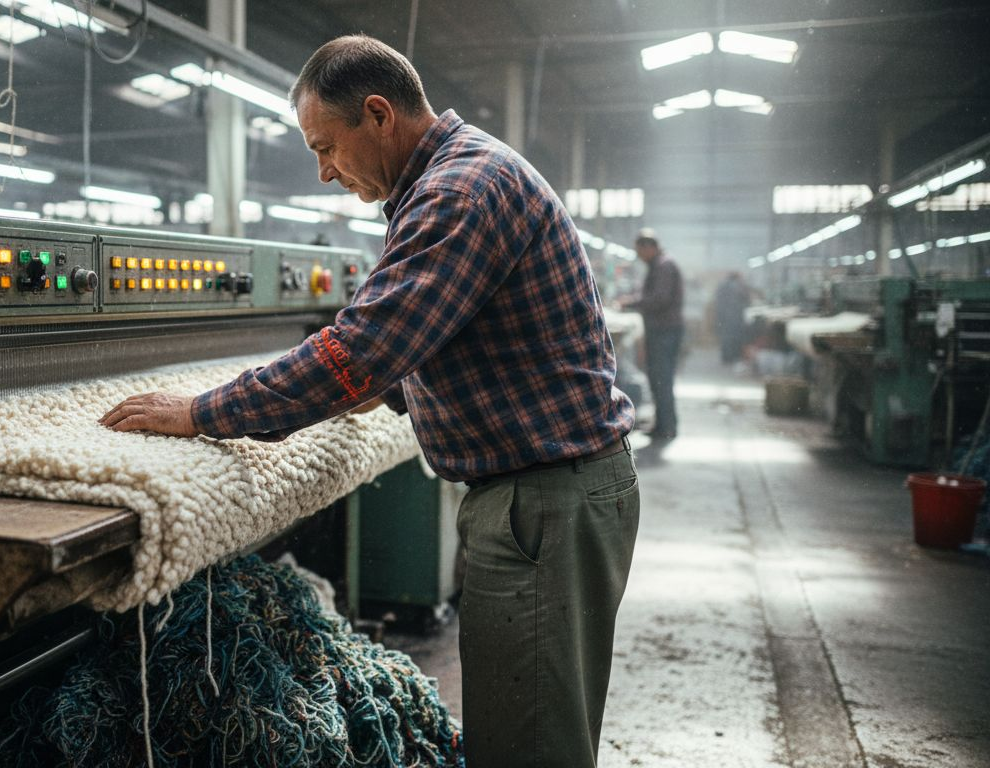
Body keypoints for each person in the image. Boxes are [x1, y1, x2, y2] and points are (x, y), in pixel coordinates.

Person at [101, 34, 639, 768]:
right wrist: (384, 389)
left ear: (379, 114)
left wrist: (199, 413)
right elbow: (436, 340)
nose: (323, 173)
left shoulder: (458, 192)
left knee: (528, 745)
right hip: (548, 494)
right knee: (530, 732)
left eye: (326, 147)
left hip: (543, 504)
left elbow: (355, 352)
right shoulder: (452, 177)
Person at [624, 229, 683, 439]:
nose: (639, 256)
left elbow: (660, 299)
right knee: (658, 378)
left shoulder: (664, 266)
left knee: (662, 378)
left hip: (664, 331)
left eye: (639, 251)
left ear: (649, 247)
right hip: (661, 330)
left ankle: (667, 427)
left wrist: (631, 303)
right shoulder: (658, 265)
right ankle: (663, 425)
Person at [714, 271, 750, 364]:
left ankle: (726, 357)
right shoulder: (737, 286)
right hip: (734, 315)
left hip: (723, 315)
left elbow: (717, 300)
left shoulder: (721, 285)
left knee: (725, 337)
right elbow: (745, 297)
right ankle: (733, 357)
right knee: (734, 337)